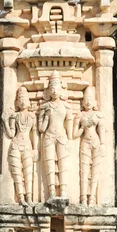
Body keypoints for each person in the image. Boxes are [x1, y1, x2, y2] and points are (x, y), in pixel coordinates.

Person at [38, 71, 73, 199]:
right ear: (48, 90)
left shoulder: (66, 106)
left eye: (56, 87)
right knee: (50, 164)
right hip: (48, 137)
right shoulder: (45, 107)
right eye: (51, 87)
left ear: (61, 89)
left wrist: (69, 139)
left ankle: (63, 191)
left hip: (62, 137)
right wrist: (46, 117)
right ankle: (51, 191)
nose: (54, 90)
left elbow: (69, 124)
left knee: (63, 165)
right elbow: (41, 129)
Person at [3, 86, 38, 205]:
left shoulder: (33, 116)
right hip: (16, 145)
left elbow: (35, 134)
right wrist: (5, 122)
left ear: (29, 101)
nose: (22, 101)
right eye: (20, 99)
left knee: (28, 173)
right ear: (17, 102)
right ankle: (21, 197)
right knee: (17, 173)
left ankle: (29, 196)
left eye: (24, 98)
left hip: (27, 145)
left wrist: (35, 148)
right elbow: (11, 133)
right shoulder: (15, 116)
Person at [73, 86, 104, 206]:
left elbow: (101, 131)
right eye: (86, 99)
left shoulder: (98, 115)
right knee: (84, 172)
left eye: (91, 99)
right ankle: (83, 198)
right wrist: (82, 127)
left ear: (95, 101)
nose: (88, 101)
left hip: (96, 143)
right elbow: (75, 135)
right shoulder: (80, 116)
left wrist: (103, 144)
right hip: (84, 143)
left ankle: (92, 198)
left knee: (95, 172)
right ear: (82, 102)